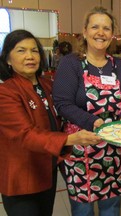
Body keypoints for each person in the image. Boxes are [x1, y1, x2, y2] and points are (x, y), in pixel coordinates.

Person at [0, 29, 101, 216]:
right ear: (7, 59)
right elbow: (25, 134)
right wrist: (70, 139)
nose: (30, 56)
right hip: (22, 177)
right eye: (21, 51)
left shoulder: (46, 84)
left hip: (47, 171)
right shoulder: (6, 92)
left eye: (34, 50)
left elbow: (65, 110)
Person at [52, 6, 121, 216]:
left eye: (106, 28)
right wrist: (94, 122)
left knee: (111, 208)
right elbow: (62, 103)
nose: (101, 32)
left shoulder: (118, 66)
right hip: (82, 147)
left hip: (114, 150)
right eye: (95, 27)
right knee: (83, 210)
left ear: (112, 34)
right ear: (85, 31)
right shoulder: (72, 63)